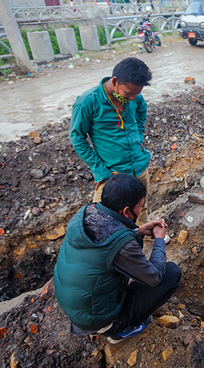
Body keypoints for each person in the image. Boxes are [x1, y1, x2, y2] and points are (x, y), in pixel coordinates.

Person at [53, 173, 182, 343]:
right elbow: (154, 277)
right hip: (97, 319)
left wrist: (137, 231)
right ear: (127, 211)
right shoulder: (122, 245)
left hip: (77, 307)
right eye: (140, 206)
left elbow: (108, 240)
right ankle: (118, 331)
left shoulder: (86, 213)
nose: (142, 210)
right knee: (171, 273)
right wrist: (159, 239)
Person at [70, 57, 153, 226]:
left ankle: (140, 241)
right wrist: (99, 170)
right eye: (129, 93)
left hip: (139, 167)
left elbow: (141, 110)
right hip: (113, 175)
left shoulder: (134, 96)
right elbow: (77, 137)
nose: (132, 98)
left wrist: (139, 136)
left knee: (140, 208)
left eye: (137, 94)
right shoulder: (88, 102)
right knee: (101, 220)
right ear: (114, 81)